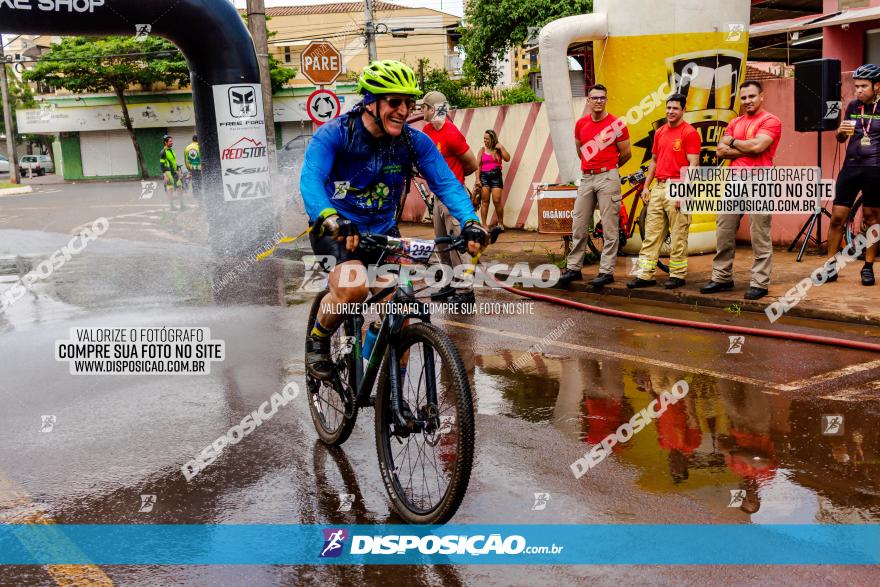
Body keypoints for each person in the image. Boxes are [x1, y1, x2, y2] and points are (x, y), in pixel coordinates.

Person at [299, 60, 489, 380]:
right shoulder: (336, 134)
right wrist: (330, 216)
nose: (404, 110)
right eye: (395, 101)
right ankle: (317, 342)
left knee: (399, 308)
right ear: (371, 101)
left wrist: (470, 221)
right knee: (354, 289)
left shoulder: (412, 142)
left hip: (383, 232)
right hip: (337, 228)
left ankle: (389, 398)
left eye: (409, 103)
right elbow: (311, 180)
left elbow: (445, 183)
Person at [701, 80, 782, 300]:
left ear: (761, 96)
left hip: (760, 181)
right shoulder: (735, 121)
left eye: (752, 96)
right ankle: (721, 278)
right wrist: (747, 148)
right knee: (724, 230)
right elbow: (720, 151)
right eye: (744, 97)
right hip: (734, 180)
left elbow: (758, 147)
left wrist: (734, 142)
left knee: (759, 234)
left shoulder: (770, 121)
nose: (747, 101)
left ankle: (760, 283)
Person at [559, 84, 632, 287]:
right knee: (579, 225)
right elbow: (580, 151)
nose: (598, 101)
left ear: (606, 100)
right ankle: (574, 268)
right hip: (587, 177)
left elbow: (626, 153)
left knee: (610, 227)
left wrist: (610, 169)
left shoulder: (617, 124)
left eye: (602, 97)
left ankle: (606, 271)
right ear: (588, 101)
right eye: (594, 98)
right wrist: (591, 166)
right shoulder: (581, 124)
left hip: (608, 176)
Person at [628, 94, 700, 289]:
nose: (670, 111)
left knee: (678, 235)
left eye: (675, 108)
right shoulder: (660, 132)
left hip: (679, 185)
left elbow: (694, 164)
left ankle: (677, 275)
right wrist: (646, 187)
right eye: (668, 108)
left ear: (683, 110)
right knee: (651, 234)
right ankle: (645, 275)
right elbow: (653, 161)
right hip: (658, 187)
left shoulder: (690, 132)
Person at [418, 90, 480, 305]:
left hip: (452, 196)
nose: (421, 110)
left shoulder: (452, 134)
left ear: (433, 109)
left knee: (458, 244)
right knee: (442, 243)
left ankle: (465, 291)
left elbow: (472, 164)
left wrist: (455, 181)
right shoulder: (426, 131)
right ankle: (448, 284)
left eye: (424, 107)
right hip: (437, 196)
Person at [826, 64, 880, 286]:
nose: (858, 90)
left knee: (872, 218)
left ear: (877, 86)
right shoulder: (852, 106)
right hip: (850, 167)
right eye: (856, 86)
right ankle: (830, 266)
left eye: (863, 86)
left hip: (875, 169)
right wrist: (839, 132)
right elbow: (841, 138)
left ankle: (868, 267)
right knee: (838, 217)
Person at [475, 129, 510, 230]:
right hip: (484, 177)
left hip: (496, 176)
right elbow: (477, 166)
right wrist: (478, 179)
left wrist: (501, 147)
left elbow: (507, 158)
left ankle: (500, 223)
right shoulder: (482, 150)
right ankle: (484, 225)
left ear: (492, 139)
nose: (484, 140)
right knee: (485, 201)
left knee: (497, 201)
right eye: (484, 138)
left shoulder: (498, 150)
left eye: (487, 139)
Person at [159, 135, 184, 210]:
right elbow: (162, 165)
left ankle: (182, 205)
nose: (171, 142)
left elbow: (174, 162)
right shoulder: (163, 152)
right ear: (165, 142)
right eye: (170, 141)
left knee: (180, 188)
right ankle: (172, 206)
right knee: (170, 189)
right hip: (168, 173)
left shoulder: (172, 150)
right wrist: (165, 175)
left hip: (174, 172)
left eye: (171, 141)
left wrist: (179, 171)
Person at [184, 134, 202, 201]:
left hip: (192, 169)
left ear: (192, 140)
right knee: (201, 182)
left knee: (195, 182)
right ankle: (201, 197)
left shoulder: (187, 148)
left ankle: (197, 196)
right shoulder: (200, 147)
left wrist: (189, 169)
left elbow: (186, 161)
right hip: (200, 169)